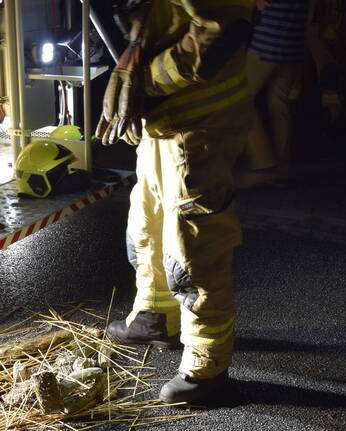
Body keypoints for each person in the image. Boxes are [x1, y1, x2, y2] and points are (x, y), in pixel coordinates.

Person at [100, 0, 256, 406]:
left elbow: (217, 32)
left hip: (198, 124)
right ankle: (155, 316)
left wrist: (144, 82)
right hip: (164, 123)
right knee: (147, 225)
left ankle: (208, 367)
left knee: (195, 248)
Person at [242, 0, 312, 184]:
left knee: (240, 100)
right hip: (293, 43)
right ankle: (282, 168)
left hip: (267, 43)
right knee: (279, 105)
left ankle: (263, 164)